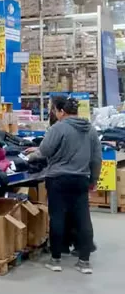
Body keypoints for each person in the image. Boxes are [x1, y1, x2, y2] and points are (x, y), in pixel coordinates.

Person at [26, 96, 101, 274]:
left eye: (55, 110)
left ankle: (56, 260)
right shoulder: (90, 130)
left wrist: (29, 156)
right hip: (81, 179)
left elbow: (44, 151)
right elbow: (97, 158)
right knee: (83, 219)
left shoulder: (58, 128)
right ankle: (84, 262)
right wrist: (93, 180)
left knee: (57, 217)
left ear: (61, 111)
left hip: (58, 179)